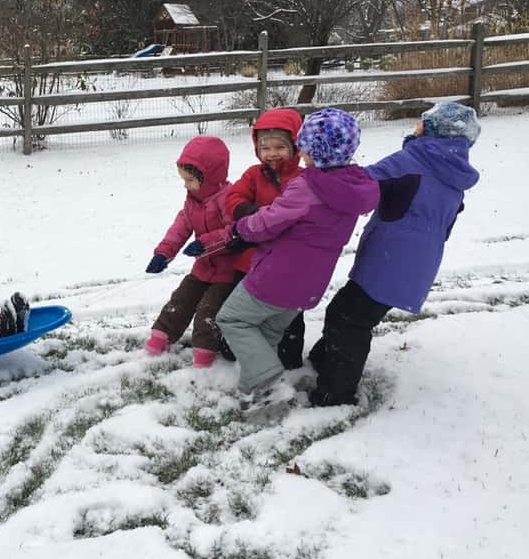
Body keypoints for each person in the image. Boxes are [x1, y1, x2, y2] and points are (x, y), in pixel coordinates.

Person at [307, 102, 481, 407]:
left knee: (350, 320)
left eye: (422, 123)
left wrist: (326, 172)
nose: (416, 125)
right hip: (417, 265)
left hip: (387, 260)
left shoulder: (412, 160)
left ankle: (335, 392)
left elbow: (362, 183)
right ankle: (323, 359)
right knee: (350, 312)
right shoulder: (454, 176)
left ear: (432, 130)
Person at [216, 108, 380, 407]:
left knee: (232, 319)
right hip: (310, 284)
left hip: (276, 278)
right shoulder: (351, 186)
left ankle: (269, 383)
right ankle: (252, 388)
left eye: (303, 144)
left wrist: (242, 227)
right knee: (268, 330)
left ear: (314, 148)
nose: (300, 150)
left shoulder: (308, 186)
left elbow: (268, 222)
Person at [144, 136, 236, 367]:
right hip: (203, 267)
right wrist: (163, 253)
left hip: (227, 272)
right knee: (181, 299)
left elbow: (234, 230)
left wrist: (206, 242)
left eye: (191, 180)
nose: (186, 185)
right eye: (183, 180)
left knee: (208, 311)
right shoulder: (193, 200)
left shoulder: (229, 199)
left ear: (210, 178)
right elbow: (181, 226)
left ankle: (204, 354)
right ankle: (160, 338)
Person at [224, 108, 306, 367]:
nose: (271, 154)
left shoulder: (304, 179)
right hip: (248, 261)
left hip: (287, 265)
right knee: (240, 310)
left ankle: (288, 356)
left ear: (295, 146)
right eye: (265, 148)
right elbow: (233, 198)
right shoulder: (253, 175)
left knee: (288, 313)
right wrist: (252, 213)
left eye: (280, 147)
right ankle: (237, 350)